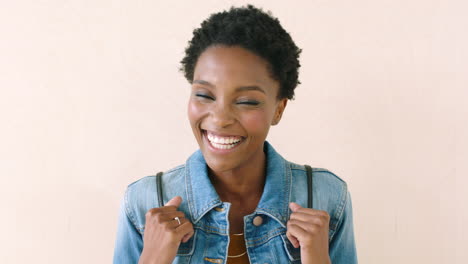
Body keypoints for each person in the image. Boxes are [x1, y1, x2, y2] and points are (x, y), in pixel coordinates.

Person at [113, 5, 357, 264]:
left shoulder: (325, 197)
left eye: (247, 101)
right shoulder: (144, 202)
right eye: (204, 95)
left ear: (278, 109)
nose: (219, 118)